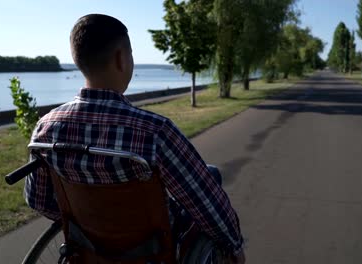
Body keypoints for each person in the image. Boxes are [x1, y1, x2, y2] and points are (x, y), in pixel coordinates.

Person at [24, 14, 245, 263]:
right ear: (121, 59)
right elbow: (206, 202)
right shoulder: (154, 131)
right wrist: (234, 246)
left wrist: (92, 223)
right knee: (209, 177)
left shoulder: (46, 128)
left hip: (87, 246)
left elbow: (38, 200)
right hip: (152, 250)